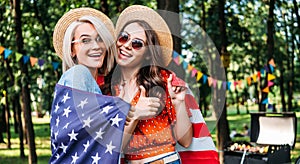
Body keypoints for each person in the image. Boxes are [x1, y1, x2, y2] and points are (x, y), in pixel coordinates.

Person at [50, 7, 160, 164]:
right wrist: (128, 109)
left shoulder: (95, 88)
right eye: (85, 40)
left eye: (100, 39)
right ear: (72, 49)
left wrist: (128, 111)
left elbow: (111, 145)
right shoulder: (79, 75)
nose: (96, 46)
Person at [114, 5, 220, 164]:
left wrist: (178, 103)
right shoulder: (109, 89)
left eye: (137, 43)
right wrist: (134, 115)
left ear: (148, 54)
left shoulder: (163, 81)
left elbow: (185, 141)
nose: (127, 45)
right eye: (124, 37)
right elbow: (115, 147)